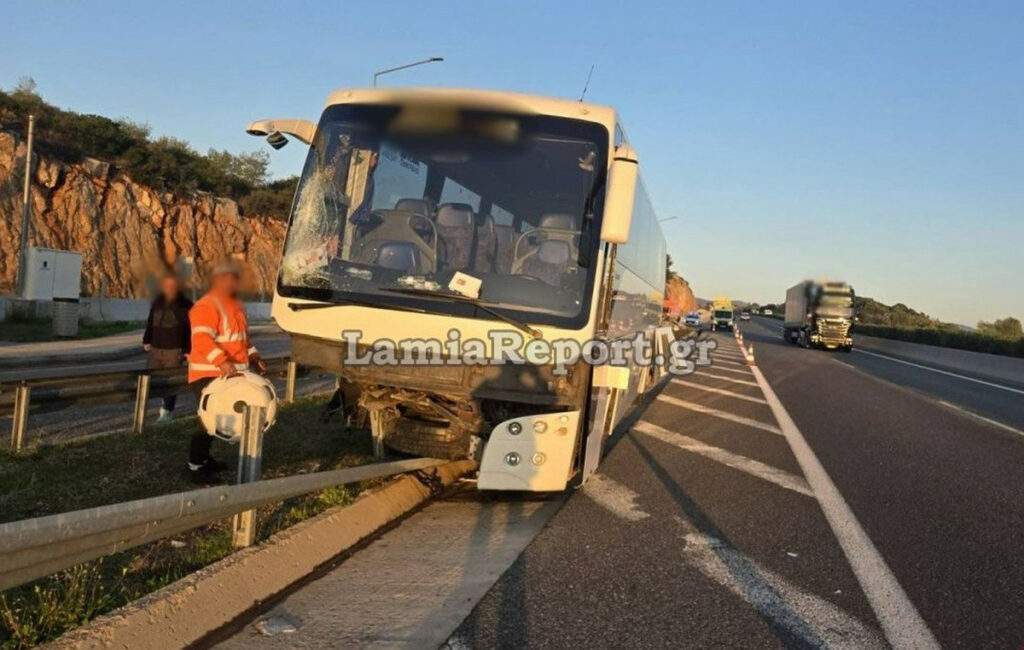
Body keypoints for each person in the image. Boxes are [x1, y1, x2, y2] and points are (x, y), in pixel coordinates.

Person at [185, 261, 266, 483]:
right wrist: (221, 361)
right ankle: (195, 467)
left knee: (218, 420)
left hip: (229, 374)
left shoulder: (235, 306)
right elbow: (201, 339)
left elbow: (241, 339)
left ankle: (203, 460)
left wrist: (254, 356)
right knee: (208, 421)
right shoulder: (207, 306)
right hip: (209, 374)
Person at [143, 274, 192, 424]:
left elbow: (190, 329)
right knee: (151, 381)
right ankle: (144, 409)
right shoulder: (157, 302)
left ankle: (167, 411)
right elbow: (151, 322)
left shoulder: (186, 305)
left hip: (174, 350)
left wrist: (188, 349)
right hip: (156, 348)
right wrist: (147, 339)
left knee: (171, 382)